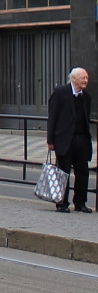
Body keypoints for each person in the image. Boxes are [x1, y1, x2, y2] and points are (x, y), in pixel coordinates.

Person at [46, 67, 93, 213]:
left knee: (82, 172)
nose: (86, 80)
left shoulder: (86, 96)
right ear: (73, 79)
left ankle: (80, 203)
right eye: (83, 78)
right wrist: (50, 141)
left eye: (86, 78)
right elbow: (52, 117)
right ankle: (62, 203)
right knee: (63, 172)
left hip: (81, 140)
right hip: (65, 140)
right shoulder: (60, 93)